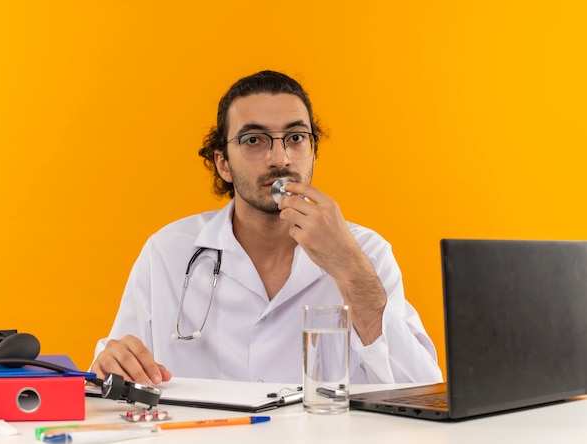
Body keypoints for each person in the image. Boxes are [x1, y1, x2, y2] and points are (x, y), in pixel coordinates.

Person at [90, 70, 443, 386]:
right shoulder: (167, 253)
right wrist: (112, 363)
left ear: (313, 151)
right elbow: (115, 380)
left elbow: (424, 393)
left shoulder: (366, 252)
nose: (280, 158)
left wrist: (350, 269)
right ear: (223, 164)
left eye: (295, 138)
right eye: (254, 140)